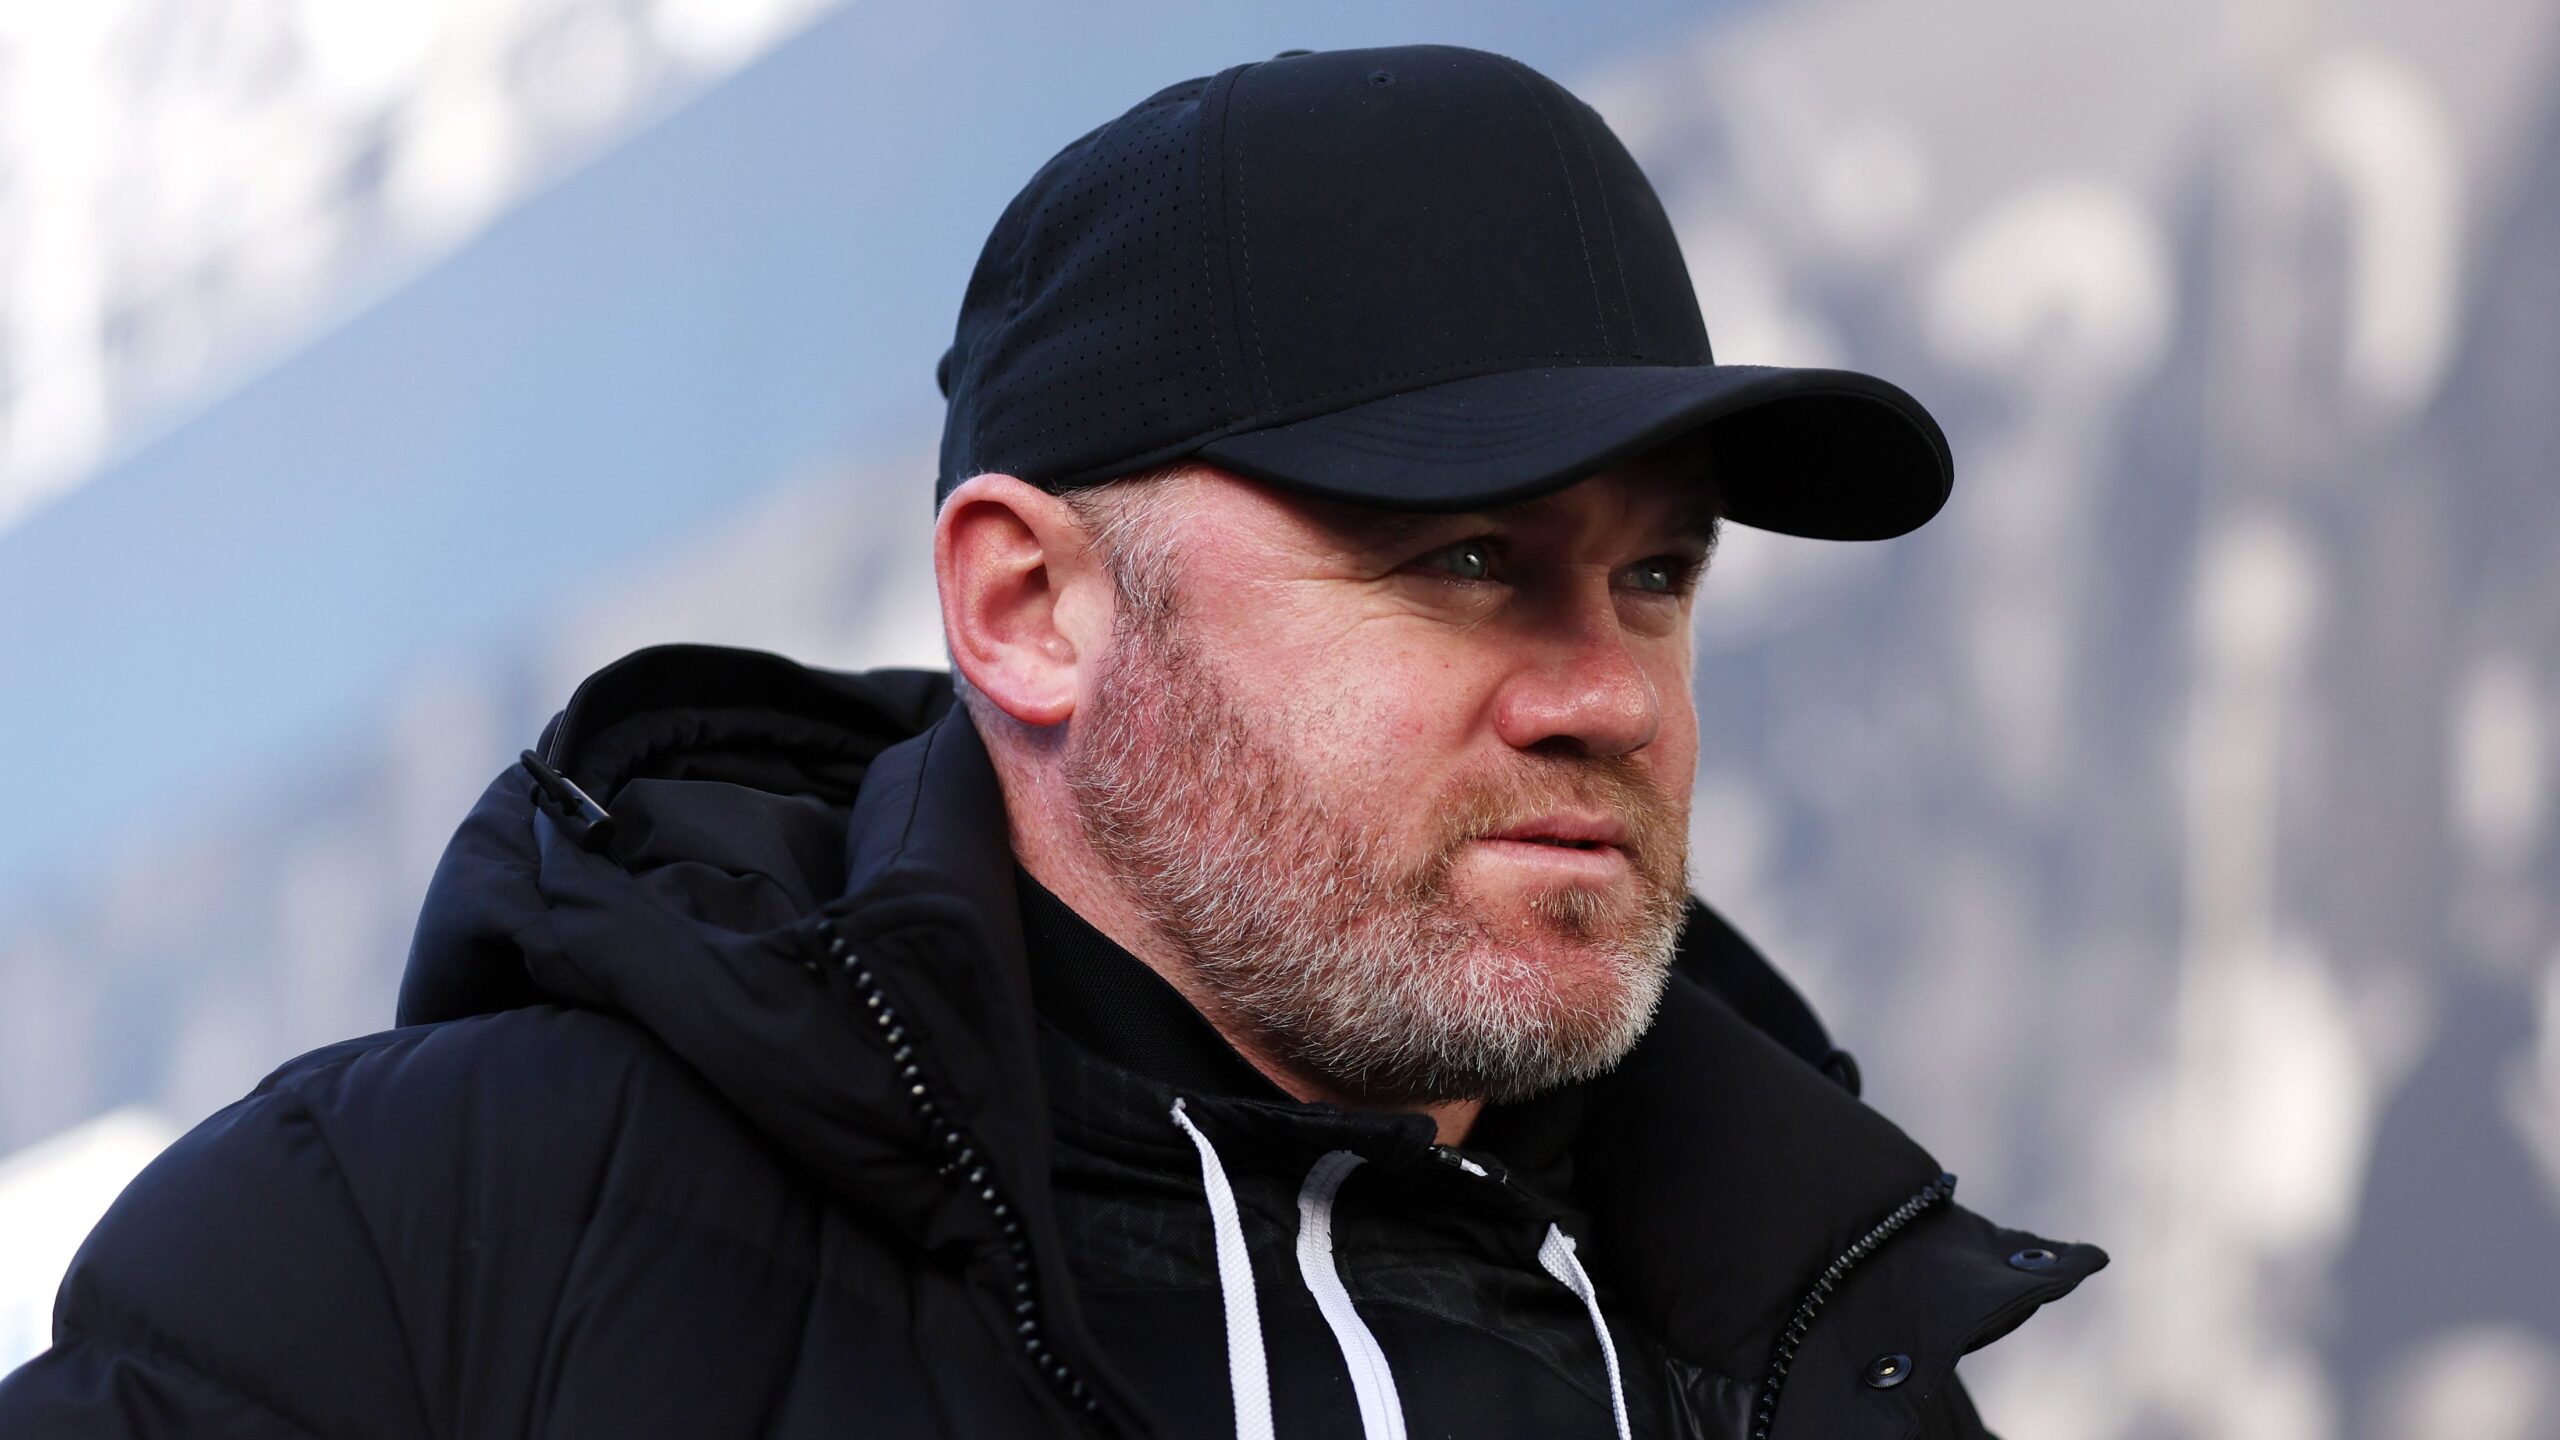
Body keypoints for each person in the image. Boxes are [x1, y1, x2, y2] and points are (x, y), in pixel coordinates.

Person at [0, 43, 2103, 1440]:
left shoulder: (1820, 1356)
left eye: (1654, 577)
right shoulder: (421, 1248)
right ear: (1028, 607)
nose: (1607, 693)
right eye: (1466, 560)